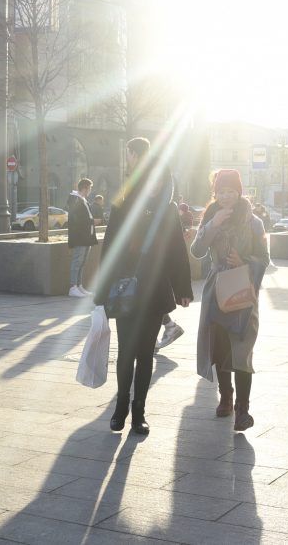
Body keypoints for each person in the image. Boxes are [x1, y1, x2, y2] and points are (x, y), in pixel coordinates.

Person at [92, 137, 193, 435]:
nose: (155, 186)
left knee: (146, 354)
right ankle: (121, 406)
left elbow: (176, 250)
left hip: (155, 290)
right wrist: (102, 290)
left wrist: (183, 287)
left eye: (160, 181)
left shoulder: (168, 209)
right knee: (126, 351)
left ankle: (139, 412)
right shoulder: (124, 205)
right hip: (126, 287)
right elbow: (110, 246)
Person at [191, 169, 269, 432]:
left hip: (243, 289)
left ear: (239, 191)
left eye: (231, 191)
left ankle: (243, 410)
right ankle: (226, 397)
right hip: (216, 290)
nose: (226, 196)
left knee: (243, 349)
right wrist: (212, 225)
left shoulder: (253, 221)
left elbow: (264, 257)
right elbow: (198, 251)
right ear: (215, 192)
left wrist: (245, 262)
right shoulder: (211, 217)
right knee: (221, 347)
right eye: (221, 191)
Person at [67, 178, 98, 298]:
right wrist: (91, 221)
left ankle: (79, 286)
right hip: (80, 237)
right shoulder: (75, 200)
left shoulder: (83, 200)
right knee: (77, 261)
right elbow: (75, 220)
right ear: (84, 188)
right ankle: (73, 287)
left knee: (82, 262)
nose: (90, 191)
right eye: (89, 188)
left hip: (86, 237)